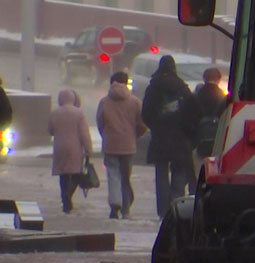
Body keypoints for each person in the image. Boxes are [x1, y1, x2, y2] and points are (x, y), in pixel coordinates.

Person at [141, 55, 197, 219]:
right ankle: (176, 204)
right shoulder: (182, 88)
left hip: (160, 137)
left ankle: (163, 210)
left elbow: (146, 113)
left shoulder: (153, 87)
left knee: (161, 174)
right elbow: (192, 112)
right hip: (180, 138)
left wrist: (156, 126)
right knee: (180, 171)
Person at [96, 72, 148, 219]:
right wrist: (134, 135)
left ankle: (114, 203)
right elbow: (142, 123)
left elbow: (100, 122)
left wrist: (106, 135)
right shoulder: (135, 102)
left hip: (111, 144)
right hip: (128, 145)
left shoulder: (105, 102)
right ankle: (126, 210)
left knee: (113, 175)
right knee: (126, 177)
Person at [48, 89, 93, 214]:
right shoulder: (79, 113)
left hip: (59, 147)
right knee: (75, 173)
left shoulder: (55, 112)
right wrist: (88, 150)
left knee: (63, 174)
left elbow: (50, 130)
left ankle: (64, 198)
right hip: (75, 147)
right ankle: (68, 195)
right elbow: (84, 134)